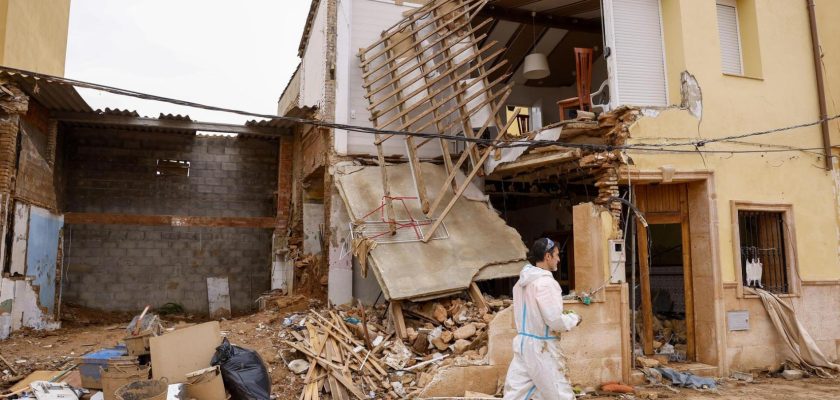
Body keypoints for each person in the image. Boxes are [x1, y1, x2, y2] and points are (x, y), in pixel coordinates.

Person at [503, 238, 582, 400]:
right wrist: (574, 318)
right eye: (557, 255)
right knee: (559, 393)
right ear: (548, 256)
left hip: (523, 343)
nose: (559, 259)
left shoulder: (521, 283)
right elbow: (554, 321)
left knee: (516, 393)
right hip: (542, 347)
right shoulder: (546, 283)